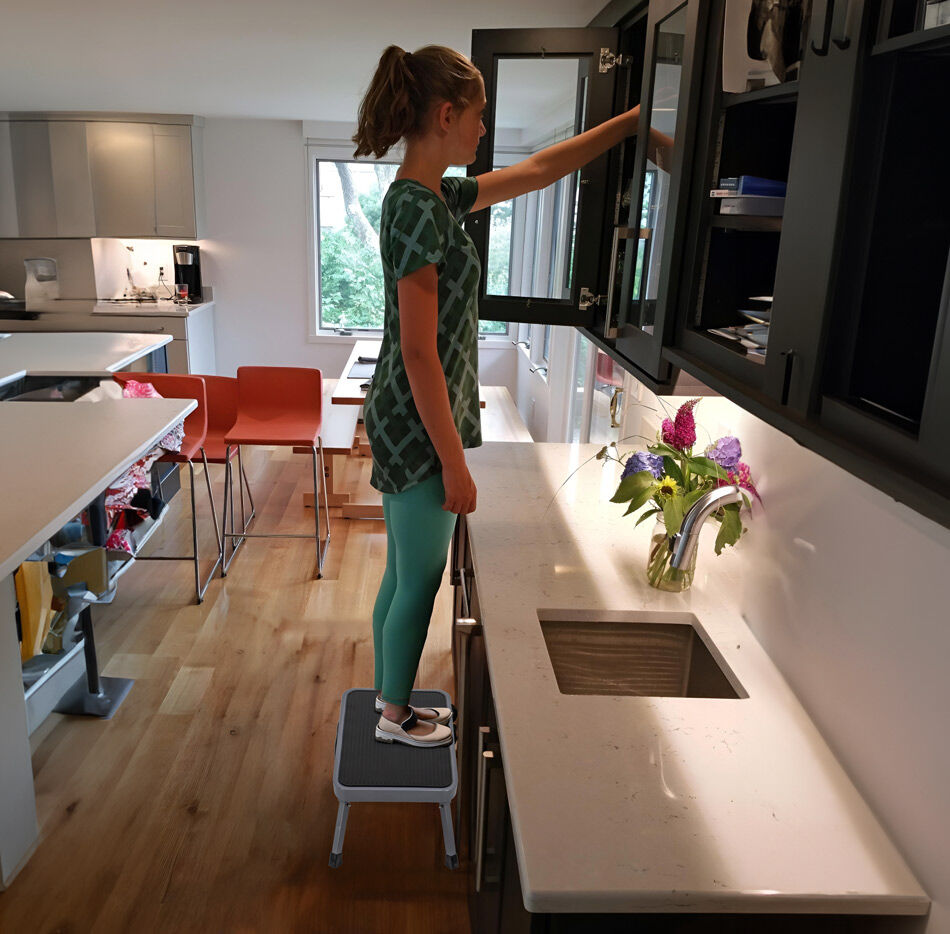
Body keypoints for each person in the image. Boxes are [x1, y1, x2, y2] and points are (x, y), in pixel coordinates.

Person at [353, 44, 645, 748]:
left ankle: (386, 702)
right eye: (479, 118)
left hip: (404, 414)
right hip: (417, 422)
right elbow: (421, 352)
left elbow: (537, 171)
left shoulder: (425, 198)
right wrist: (453, 462)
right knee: (419, 577)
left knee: (402, 571)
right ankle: (394, 715)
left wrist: (626, 124)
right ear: (447, 115)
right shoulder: (419, 212)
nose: (484, 132)